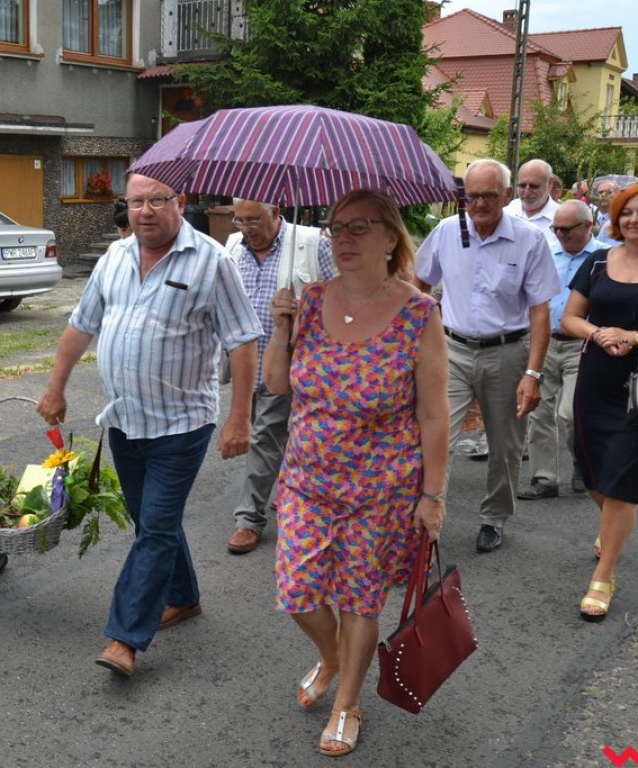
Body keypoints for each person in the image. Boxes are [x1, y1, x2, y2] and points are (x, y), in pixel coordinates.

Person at [37, 173, 262, 677]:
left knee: (156, 528)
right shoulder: (114, 258)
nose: (144, 211)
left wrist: (239, 417)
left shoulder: (212, 261)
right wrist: (56, 386)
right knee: (151, 523)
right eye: (135, 201)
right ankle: (183, 597)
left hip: (182, 423)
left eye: (156, 201)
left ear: (178, 202)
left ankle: (125, 637)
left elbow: (243, 340)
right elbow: (81, 324)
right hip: (124, 417)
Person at [263, 189, 449, 757]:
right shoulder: (310, 301)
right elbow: (276, 385)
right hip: (306, 479)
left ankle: (347, 702)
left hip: (382, 487)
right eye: (336, 227)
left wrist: (433, 496)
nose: (342, 238)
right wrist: (280, 325)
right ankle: (333, 657)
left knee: (359, 602)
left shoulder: (419, 312)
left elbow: (433, 412)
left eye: (359, 228)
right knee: (297, 593)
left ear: (391, 238)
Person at [415, 158, 560, 553]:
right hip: (452, 350)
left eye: (488, 196)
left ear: (507, 196)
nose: (478, 204)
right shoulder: (446, 231)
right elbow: (420, 284)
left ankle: (494, 518)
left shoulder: (529, 239)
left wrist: (533, 373)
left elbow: (540, 309)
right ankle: (428, 516)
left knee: (505, 444)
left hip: (508, 352)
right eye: (471, 196)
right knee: (435, 436)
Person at [222, 198, 337, 554]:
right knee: (281, 435)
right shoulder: (232, 248)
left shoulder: (311, 242)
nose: (246, 229)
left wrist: (306, 311)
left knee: (265, 436)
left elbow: (343, 296)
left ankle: (248, 519)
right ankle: (292, 486)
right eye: (239, 220)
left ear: (276, 214)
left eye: (254, 219)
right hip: (246, 364)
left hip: (293, 363)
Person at [561, 183, 638, 621]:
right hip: (595, 380)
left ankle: (603, 576)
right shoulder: (597, 261)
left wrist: (632, 336)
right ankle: (612, 527)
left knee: (623, 479)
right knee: (591, 467)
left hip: (636, 389)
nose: (632, 220)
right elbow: (571, 317)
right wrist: (599, 333)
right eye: (626, 213)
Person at [518, 200, 609, 500]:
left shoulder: (604, 258)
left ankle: (582, 462)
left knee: (572, 414)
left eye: (566, 229)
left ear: (588, 226)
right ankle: (545, 479)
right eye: (555, 228)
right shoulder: (544, 253)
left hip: (582, 346)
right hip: (544, 341)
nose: (559, 234)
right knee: (539, 412)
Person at [504, 158, 560, 247]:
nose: (527, 192)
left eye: (534, 186)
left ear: (550, 183)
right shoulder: (505, 214)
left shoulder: (562, 218)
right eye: (522, 186)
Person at [593, 180, 623, 246]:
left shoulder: (623, 220)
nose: (603, 195)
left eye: (608, 192)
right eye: (601, 192)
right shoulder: (591, 217)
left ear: (618, 194)